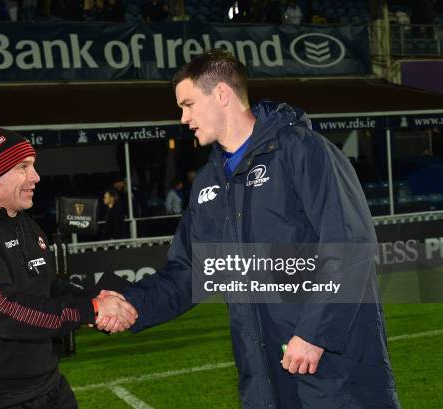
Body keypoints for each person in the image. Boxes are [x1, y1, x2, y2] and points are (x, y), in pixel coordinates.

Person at [98, 50, 400, 409]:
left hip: (332, 371)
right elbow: (191, 270)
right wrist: (133, 304)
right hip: (263, 379)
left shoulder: (301, 150)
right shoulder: (209, 183)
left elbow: (349, 243)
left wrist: (314, 333)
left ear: (222, 94)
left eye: (189, 104)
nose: (184, 118)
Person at [0, 120, 136, 409]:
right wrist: (88, 309)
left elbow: (48, 286)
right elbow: (3, 310)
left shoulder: (24, 224)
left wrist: (94, 300)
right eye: (23, 167)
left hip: (48, 386)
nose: (36, 177)